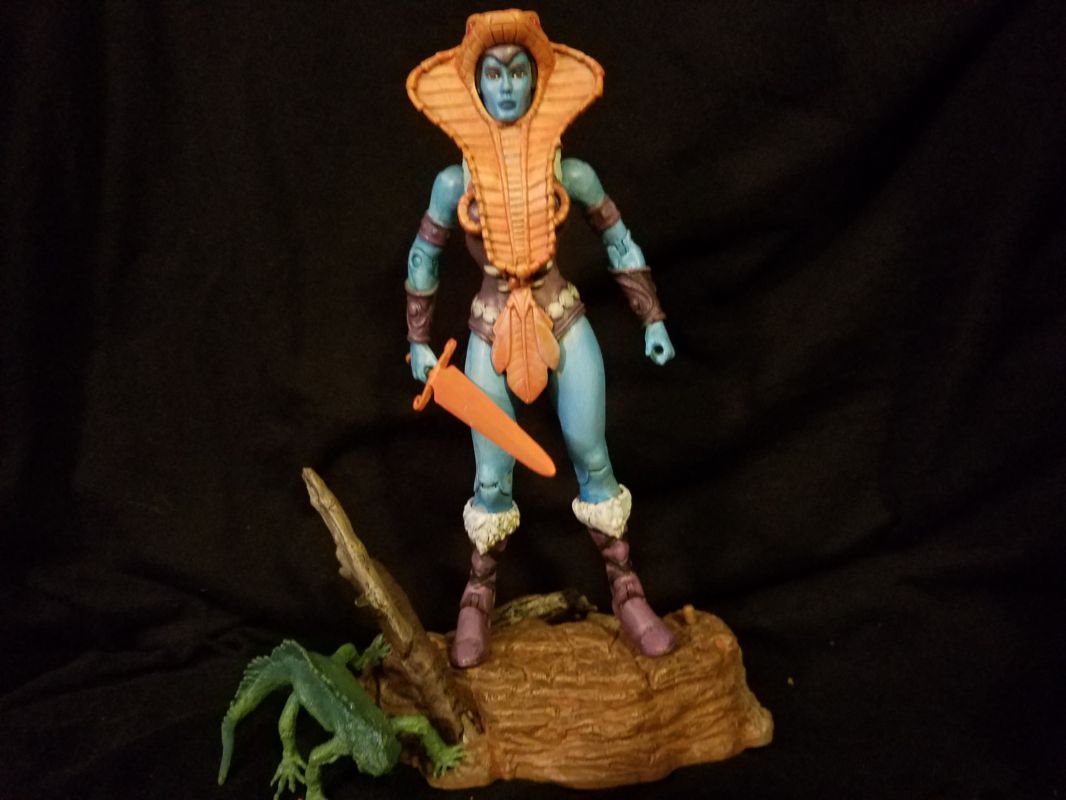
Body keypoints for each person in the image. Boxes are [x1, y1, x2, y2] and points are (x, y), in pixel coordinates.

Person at [405, 10, 676, 668]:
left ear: (537, 81)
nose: (506, 87)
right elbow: (423, 256)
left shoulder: (571, 174)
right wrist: (417, 339)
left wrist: (652, 317)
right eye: (493, 74)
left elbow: (618, 238)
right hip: (490, 326)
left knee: (592, 453)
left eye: (518, 72)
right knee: (492, 475)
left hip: (561, 317)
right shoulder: (454, 183)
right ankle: (477, 596)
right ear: (474, 85)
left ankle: (626, 589)